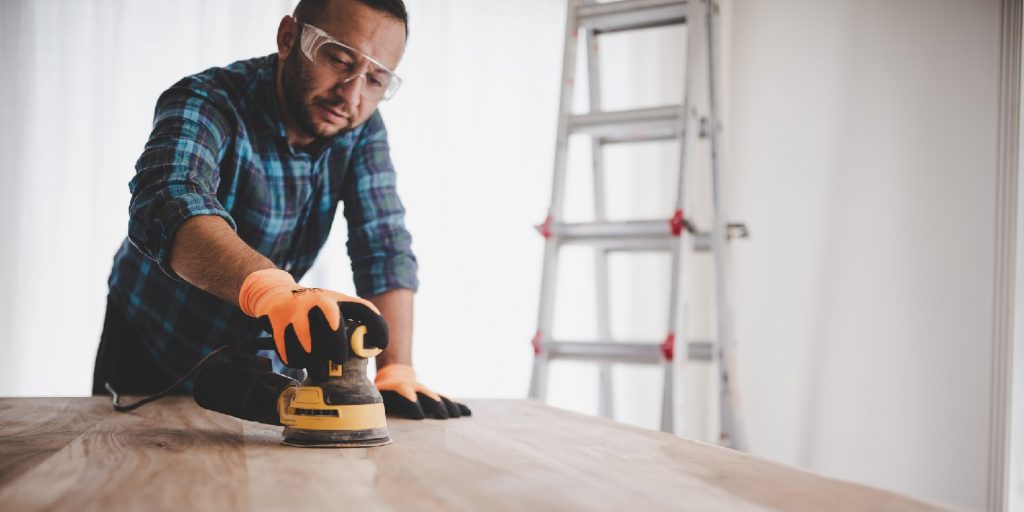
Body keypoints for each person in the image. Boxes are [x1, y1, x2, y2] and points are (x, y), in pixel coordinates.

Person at [92, 0, 469, 420]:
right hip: (153, 343)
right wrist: (272, 291)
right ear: (289, 38)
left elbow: (383, 245)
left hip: (258, 355)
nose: (352, 94)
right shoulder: (208, 98)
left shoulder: (360, 127)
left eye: (376, 79)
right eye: (339, 59)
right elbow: (168, 196)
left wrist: (396, 367)